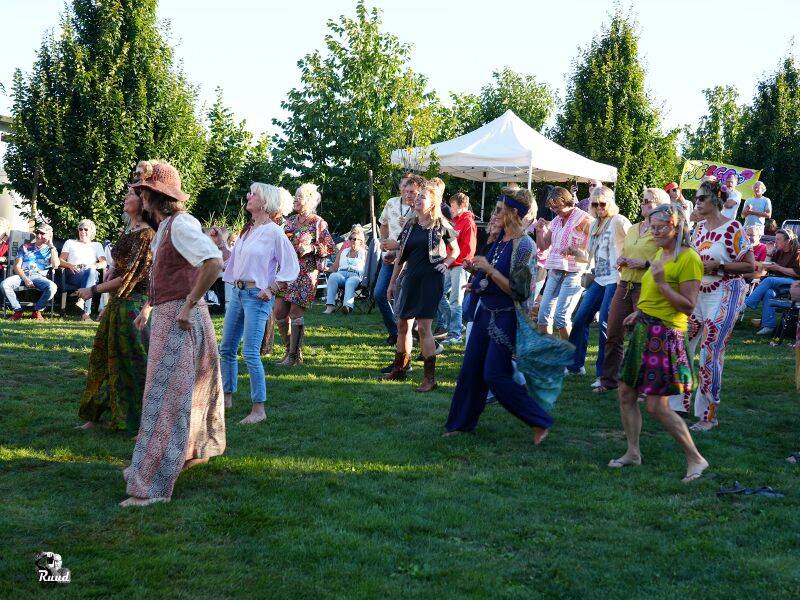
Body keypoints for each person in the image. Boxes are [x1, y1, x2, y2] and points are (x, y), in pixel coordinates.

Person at [121, 161, 225, 508]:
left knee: (164, 397)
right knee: (189, 388)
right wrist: (152, 307)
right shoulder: (166, 228)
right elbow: (169, 275)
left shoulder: (179, 224)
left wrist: (187, 305)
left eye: (141, 189)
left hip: (180, 318)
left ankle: (149, 486)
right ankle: (191, 452)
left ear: (152, 196)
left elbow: (213, 262)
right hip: (173, 314)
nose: (137, 193)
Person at [444, 189, 558, 441]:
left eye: (499, 209)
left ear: (514, 212)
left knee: (494, 374)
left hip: (507, 317)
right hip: (486, 312)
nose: (494, 214)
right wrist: (476, 277)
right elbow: (491, 277)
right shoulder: (501, 240)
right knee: (471, 369)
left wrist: (490, 269)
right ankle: (461, 424)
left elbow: (518, 291)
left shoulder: (524, 245)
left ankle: (539, 420)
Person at [609, 203, 708, 482]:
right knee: (626, 393)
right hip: (644, 329)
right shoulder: (659, 253)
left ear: (677, 226)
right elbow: (654, 294)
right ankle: (633, 452)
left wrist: (664, 285)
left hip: (665, 336)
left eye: (661, 227)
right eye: (652, 228)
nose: (655, 232)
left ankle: (696, 459)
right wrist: (639, 312)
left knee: (657, 406)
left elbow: (688, 306)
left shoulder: (688, 258)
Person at [667, 178, 754, 431]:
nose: (697, 202)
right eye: (696, 199)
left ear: (716, 199)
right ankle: (677, 405)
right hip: (699, 294)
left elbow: (750, 266)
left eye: (702, 198)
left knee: (709, 350)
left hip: (726, 292)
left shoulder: (732, 228)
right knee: (681, 345)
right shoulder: (701, 228)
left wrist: (721, 266)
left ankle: (708, 415)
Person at [217, 183, 300, 425]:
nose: (248, 196)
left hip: (257, 296)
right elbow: (234, 264)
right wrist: (222, 245)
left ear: (265, 203)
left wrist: (272, 289)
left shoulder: (274, 232)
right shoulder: (248, 230)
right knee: (227, 349)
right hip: (239, 293)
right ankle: (227, 397)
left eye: (253, 194)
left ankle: (258, 409)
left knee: (250, 352)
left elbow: (290, 266)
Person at [76, 186, 155, 431]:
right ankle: (96, 416)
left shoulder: (146, 235)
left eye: (130, 195)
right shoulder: (129, 230)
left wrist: (94, 290)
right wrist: (108, 302)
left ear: (142, 202)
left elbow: (128, 278)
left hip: (134, 305)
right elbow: (118, 270)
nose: (125, 197)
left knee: (132, 363)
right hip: (119, 303)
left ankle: (137, 421)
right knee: (103, 358)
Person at [385, 177, 459, 392]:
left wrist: (446, 263)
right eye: (417, 196)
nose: (417, 199)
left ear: (433, 202)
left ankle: (429, 378)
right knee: (403, 324)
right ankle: (400, 368)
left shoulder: (441, 225)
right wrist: (392, 282)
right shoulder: (410, 225)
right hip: (410, 277)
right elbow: (401, 257)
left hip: (430, 279)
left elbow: (455, 251)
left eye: (422, 197)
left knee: (424, 328)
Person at [596, 188, 670, 393]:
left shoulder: (662, 230)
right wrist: (622, 261)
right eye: (643, 200)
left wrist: (644, 263)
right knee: (612, 333)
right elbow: (627, 252)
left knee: (642, 338)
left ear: (659, 206)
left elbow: (666, 258)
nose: (643, 203)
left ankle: (643, 386)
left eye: (648, 201)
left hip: (646, 288)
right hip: (624, 284)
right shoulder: (634, 228)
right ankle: (608, 381)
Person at [566, 186, 631, 385]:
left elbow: (634, 243)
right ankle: (575, 365)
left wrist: (627, 263)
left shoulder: (619, 221)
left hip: (615, 280)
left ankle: (604, 374)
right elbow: (590, 256)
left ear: (611, 202)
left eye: (603, 203)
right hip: (599, 279)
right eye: (595, 204)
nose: (599, 207)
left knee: (605, 323)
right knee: (579, 319)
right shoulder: (594, 224)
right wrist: (575, 252)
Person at [273, 183, 335, 367]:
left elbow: (330, 246)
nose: (295, 200)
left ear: (309, 200)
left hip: (305, 273)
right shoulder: (290, 221)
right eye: (296, 196)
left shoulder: (318, 222)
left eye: (299, 197)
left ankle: (294, 357)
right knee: (279, 312)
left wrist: (312, 247)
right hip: (285, 273)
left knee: (295, 312)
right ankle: (288, 351)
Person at [534, 186, 591, 339]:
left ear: (566, 202)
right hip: (555, 270)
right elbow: (544, 246)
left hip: (574, 272)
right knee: (543, 315)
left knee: (561, 317)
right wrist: (539, 231)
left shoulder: (584, 219)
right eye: (552, 207)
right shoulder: (556, 221)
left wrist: (576, 249)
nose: (554, 210)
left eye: (557, 207)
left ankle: (571, 357)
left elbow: (594, 246)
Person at [376, 175, 417, 345]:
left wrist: (397, 245)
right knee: (379, 293)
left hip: (411, 260)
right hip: (391, 257)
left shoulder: (419, 208)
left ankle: (409, 334)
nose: (408, 194)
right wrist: (384, 243)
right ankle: (394, 331)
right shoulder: (392, 202)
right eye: (405, 189)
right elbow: (383, 223)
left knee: (405, 300)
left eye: (412, 191)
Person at [744, 228, 800, 335]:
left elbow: (797, 273)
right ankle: (769, 326)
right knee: (769, 292)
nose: (775, 242)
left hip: (794, 283)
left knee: (769, 280)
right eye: (775, 239)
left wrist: (778, 268)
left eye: (778, 239)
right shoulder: (779, 251)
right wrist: (769, 254)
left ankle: (747, 304)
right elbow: (765, 269)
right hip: (779, 283)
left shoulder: (797, 252)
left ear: (787, 241)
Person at [2, 223, 60, 320]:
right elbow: (16, 266)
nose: (38, 235)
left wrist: (52, 247)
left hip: (39, 277)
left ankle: (37, 310)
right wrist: (25, 278)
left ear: (49, 236)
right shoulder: (25, 246)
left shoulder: (51, 250)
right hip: (22, 275)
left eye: (42, 233)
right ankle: (18, 311)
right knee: (4, 285)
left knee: (52, 287)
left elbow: (56, 265)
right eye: (37, 232)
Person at [441, 192, 477, 344]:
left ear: (462, 205)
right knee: (438, 294)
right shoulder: (454, 221)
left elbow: (469, 248)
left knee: (456, 300)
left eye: (454, 206)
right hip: (449, 263)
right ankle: (457, 325)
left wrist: (462, 263)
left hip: (460, 266)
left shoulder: (468, 222)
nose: (451, 209)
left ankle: (455, 334)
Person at [60, 219, 107, 320]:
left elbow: (104, 263)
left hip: (91, 272)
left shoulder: (97, 245)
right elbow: (60, 261)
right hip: (74, 273)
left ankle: (82, 302)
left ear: (92, 231)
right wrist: (69, 265)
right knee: (90, 278)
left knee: (90, 273)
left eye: (86, 229)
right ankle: (86, 314)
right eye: (80, 229)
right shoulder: (70, 242)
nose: (82, 232)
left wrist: (94, 266)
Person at [324, 224, 367, 314]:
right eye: (350, 238)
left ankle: (347, 306)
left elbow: (368, 269)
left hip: (356, 275)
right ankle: (330, 306)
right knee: (333, 276)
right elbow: (335, 267)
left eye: (354, 239)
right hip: (341, 274)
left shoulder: (364, 253)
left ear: (361, 241)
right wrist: (325, 268)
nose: (352, 240)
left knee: (350, 281)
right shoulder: (343, 252)